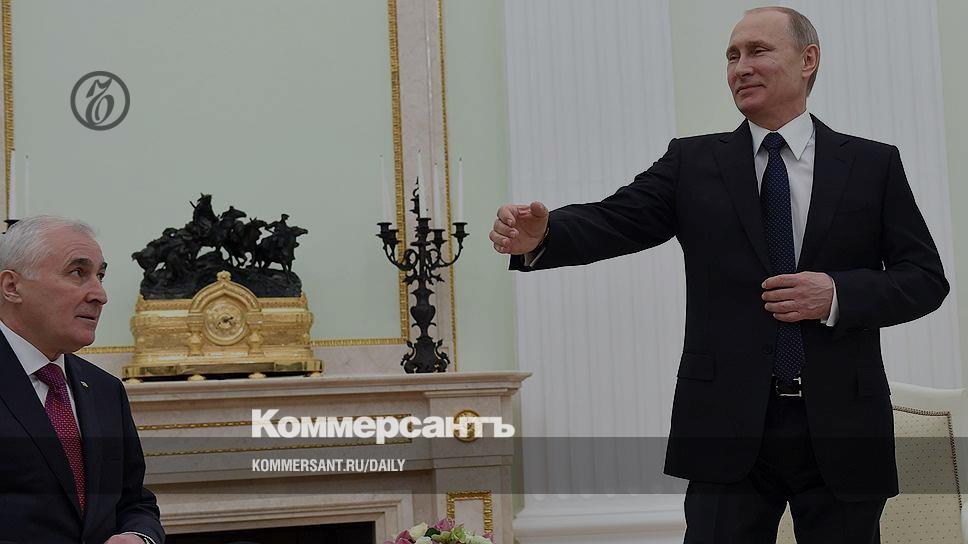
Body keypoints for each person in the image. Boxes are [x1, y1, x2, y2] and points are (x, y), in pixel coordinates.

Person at [491, 6, 948, 543]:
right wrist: (544, 235)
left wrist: (837, 294)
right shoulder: (693, 162)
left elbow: (924, 278)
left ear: (808, 60)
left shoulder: (873, 165)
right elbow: (617, 219)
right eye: (732, 56)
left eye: (758, 51)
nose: (740, 67)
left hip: (843, 428)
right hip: (724, 425)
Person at [0, 216, 165, 543]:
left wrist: (138, 536)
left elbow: (133, 500)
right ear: (12, 287)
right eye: (78, 273)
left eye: (100, 276)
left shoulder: (106, 390)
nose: (100, 295)